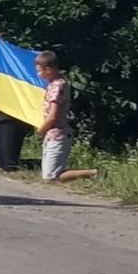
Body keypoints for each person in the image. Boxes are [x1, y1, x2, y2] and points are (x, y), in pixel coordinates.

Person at [36, 50, 99, 183]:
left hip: (58, 134)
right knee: (49, 174)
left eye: (39, 70)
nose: (38, 74)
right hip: (52, 134)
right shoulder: (56, 84)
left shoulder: (57, 87)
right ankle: (92, 174)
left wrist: (41, 130)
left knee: (51, 177)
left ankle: (94, 173)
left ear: (48, 69)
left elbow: (53, 115)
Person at [0, 35, 31, 172]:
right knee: (0, 160)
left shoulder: (15, 66)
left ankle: (41, 166)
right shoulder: (2, 68)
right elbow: (2, 87)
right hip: (3, 111)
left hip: (14, 114)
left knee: (8, 163)